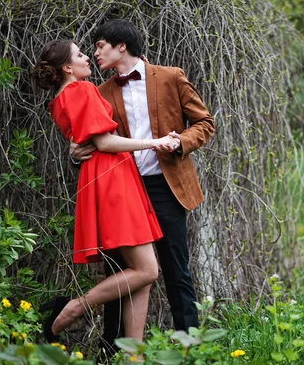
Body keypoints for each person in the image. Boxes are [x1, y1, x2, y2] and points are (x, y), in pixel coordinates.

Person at [70, 19, 214, 345]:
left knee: (177, 270)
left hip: (167, 186)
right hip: (125, 193)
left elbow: (204, 122)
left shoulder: (170, 76)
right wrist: (76, 153)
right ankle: (114, 349)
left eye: (100, 46)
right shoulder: (100, 93)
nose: (95, 53)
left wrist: (180, 142)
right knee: (120, 273)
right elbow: (95, 140)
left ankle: (188, 346)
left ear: (121, 46)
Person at [32, 39, 181, 343]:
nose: (88, 57)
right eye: (80, 55)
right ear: (67, 67)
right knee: (148, 270)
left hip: (103, 177)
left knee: (138, 273)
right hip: (112, 177)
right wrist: (154, 142)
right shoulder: (81, 90)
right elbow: (105, 143)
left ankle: (133, 355)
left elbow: (86, 143)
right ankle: (72, 309)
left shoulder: (60, 98)